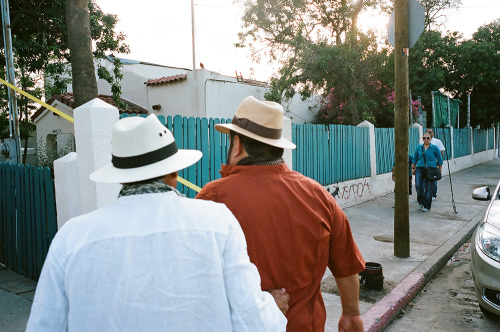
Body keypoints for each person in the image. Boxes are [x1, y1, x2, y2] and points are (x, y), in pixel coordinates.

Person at [26, 114, 287, 331]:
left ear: (121, 177)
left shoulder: (72, 237)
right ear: (174, 171)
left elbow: (45, 324)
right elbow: (252, 321)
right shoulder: (217, 222)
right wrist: (273, 309)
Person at [196, 96, 365, 332]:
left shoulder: (211, 199)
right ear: (278, 146)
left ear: (237, 144)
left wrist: (259, 302)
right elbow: (346, 266)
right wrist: (351, 314)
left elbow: (196, 280)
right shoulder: (319, 196)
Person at [412, 133, 443, 212]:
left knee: (429, 188)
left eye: (428, 138)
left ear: (430, 139)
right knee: (418, 186)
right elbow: (415, 158)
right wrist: (413, 168)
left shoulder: (434, 148)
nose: (426, 139)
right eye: (424, 138)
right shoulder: (419, 147)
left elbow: (440, 159)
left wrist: (440, 169)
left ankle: (427, 206)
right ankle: (421, 202)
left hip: (431, 169)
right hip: (420, 168)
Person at [426, 128, 445, 200]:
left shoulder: (437, 141)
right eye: (427, 132)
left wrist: (438, 162)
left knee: (433, 179)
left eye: (430, 132)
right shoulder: (423, 141)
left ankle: (433, 194)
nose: (428, 133)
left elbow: (441, 152)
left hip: (434, 164)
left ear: (433, 133)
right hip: (426, 164)